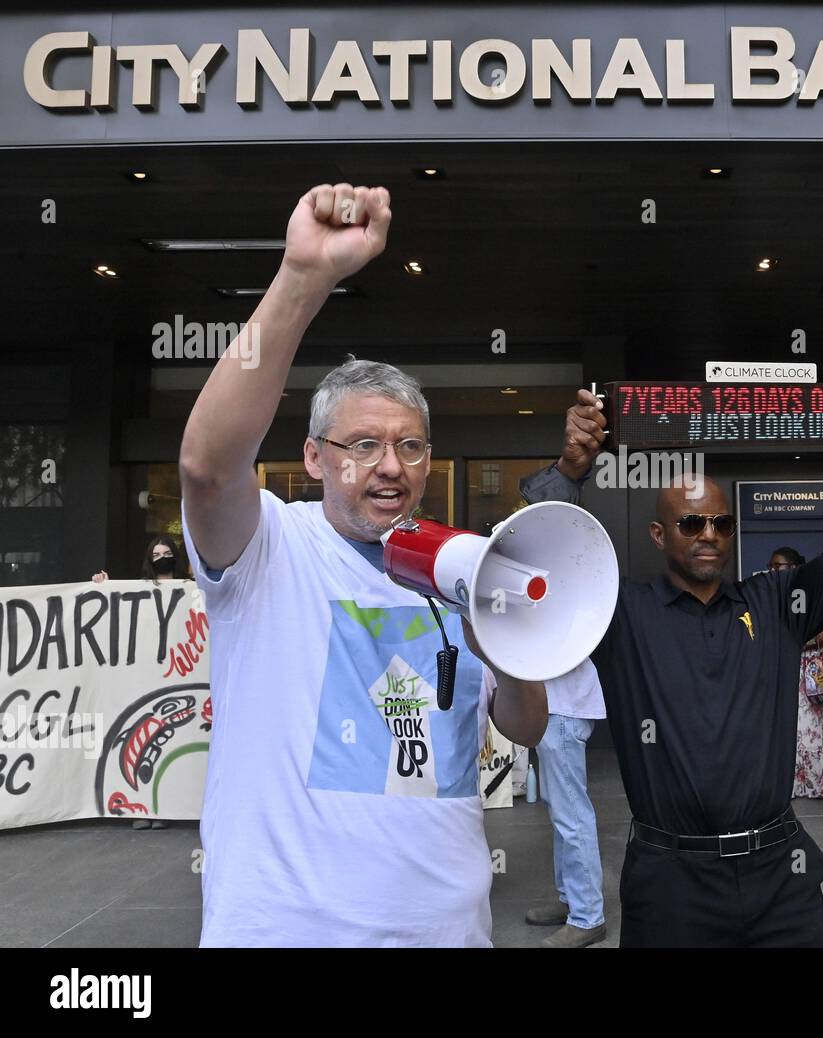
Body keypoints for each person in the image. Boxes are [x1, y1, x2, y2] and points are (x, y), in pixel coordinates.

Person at [177, 182, 549, 946]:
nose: (390, 467)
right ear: (314, 457)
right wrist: (302, 279)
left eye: (410, 446)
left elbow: (525, 727)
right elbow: (208, 468)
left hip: (446, 929)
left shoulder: (462, 567)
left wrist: (513, 657)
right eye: (363, 446)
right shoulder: (270, 547)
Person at [519, 378, 823, 947]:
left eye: (720, 523)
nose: (708, 534)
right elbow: (536, 559)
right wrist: (570, 469)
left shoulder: (779, 601)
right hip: (670, 883)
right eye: (691, 524)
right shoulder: (622, 612)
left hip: (779, 875)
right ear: (660, 535)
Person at [485, 658, 608, 948]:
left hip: (562, 707)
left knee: (571, 814)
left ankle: (588, 916)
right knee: (561, 810)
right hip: (554, 706)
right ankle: (572, 901)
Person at [93, 535, 188, 830]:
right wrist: (105, 587)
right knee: (142, 744)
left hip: (180, 672)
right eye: (156, 553)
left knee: (175, 744)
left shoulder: (192, 590)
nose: (162, 557)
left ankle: (168, 807)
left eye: (166, 552)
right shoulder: (139, 590)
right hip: (147, 674)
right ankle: (142, 806)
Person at [769, 548, 823, 801]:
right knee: (791, 725)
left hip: (813, 665)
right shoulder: (772, 594)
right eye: (770, 566)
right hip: (788, 663)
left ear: (792, 567)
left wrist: (805, 642)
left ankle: (818, 782)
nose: (772, 571)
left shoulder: (813, 590)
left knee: (813, 722)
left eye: (777, 566)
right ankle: (790, 783)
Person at [90, 534, 187, 584]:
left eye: (167, 553)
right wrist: (106, 585)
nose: (162, 558)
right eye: (156, 555)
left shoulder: (189, 586)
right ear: (150, 560)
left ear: (175, 556)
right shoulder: (140, 588)